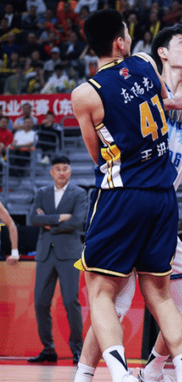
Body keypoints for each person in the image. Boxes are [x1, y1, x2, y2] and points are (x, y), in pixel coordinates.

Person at [70, 9, 182, 382]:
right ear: (121, 42)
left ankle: (120, 374)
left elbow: (96, 154)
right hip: (162, 197)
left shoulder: (85, 94)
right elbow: (164, 102)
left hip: (121, 195)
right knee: (161, 297)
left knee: (101, 295)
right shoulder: (145, 63)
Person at [26, 156, 87, 365]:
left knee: (71, 301)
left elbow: (77, 221)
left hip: (69, 253)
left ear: (70, 171)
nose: (61, 172)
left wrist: (48, 222)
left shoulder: (79, 193)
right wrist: (60, 218)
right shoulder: (42, 193)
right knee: (40, 302)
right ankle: (48, 348)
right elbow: (33, 218)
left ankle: (78, 349)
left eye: (65, 168)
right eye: (58, 169)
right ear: (51, 172)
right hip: (45, 253)